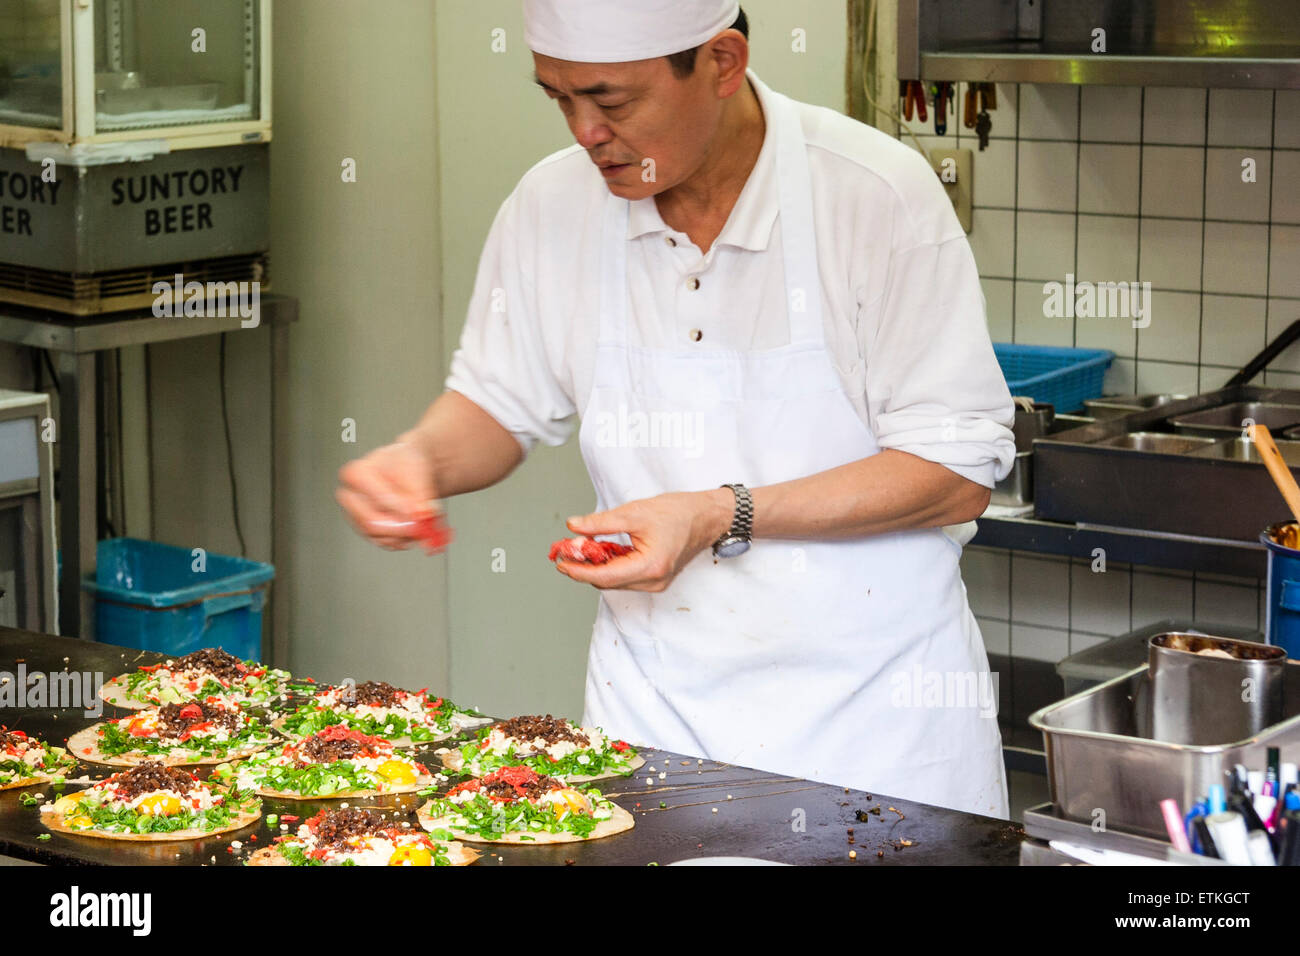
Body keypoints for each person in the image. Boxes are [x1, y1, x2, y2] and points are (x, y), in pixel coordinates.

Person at [337, 0, 1016, 818]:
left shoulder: (874, 196)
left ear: (722, 63)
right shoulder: (551, 206)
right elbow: (496, 400)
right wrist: (418, 461)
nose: (584, 132)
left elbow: (952, 472)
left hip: (876, 730)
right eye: (558, 99)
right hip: (654, 718)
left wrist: (715, 514)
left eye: (612, 100)